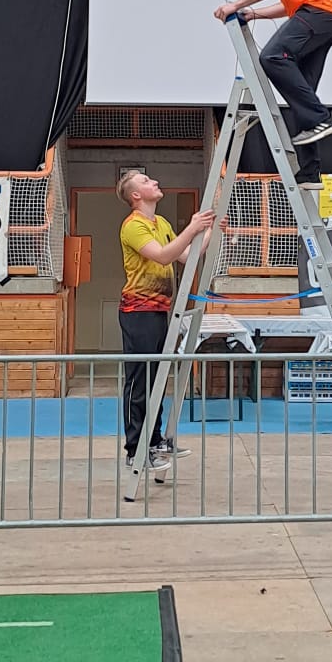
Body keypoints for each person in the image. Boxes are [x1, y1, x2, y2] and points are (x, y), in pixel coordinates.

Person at [215, 0, 332, 181]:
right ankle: (310, 171)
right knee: (302, 94)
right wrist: (254, 14)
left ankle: (323, 117)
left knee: (272, 56)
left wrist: (235, 5)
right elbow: (288, 6)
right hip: (319, 16)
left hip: (319, 13)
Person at [115, 167, 214, 478]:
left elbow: (186, 256)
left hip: (160, 310)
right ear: (135, 195)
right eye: (146, 181)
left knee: (157, 379)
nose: (155, 181)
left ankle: (155, 440)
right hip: (138, 311)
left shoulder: (162, 223)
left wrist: (211, 230)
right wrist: (193, 226)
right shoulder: (133, 225)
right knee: (139, 381)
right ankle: (135, 450)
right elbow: (162, 256)